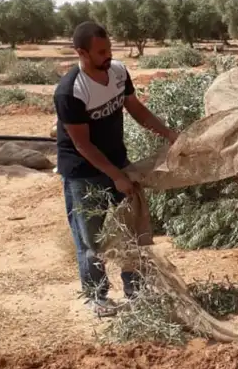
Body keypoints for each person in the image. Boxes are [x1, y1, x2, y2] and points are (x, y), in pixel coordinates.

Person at [54, 21, 177, 316]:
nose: (108, 56)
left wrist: (170, 135)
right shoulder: (70, 92)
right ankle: (97, 298)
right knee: (91, 240)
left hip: (117, 160)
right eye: (101, 52)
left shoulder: (118, 72)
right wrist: (117, 176)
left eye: (109, 49)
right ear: (81, 53)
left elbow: (135, 109)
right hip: (83, 172)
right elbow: (83, 146)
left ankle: (136, 292)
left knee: (131, 231)